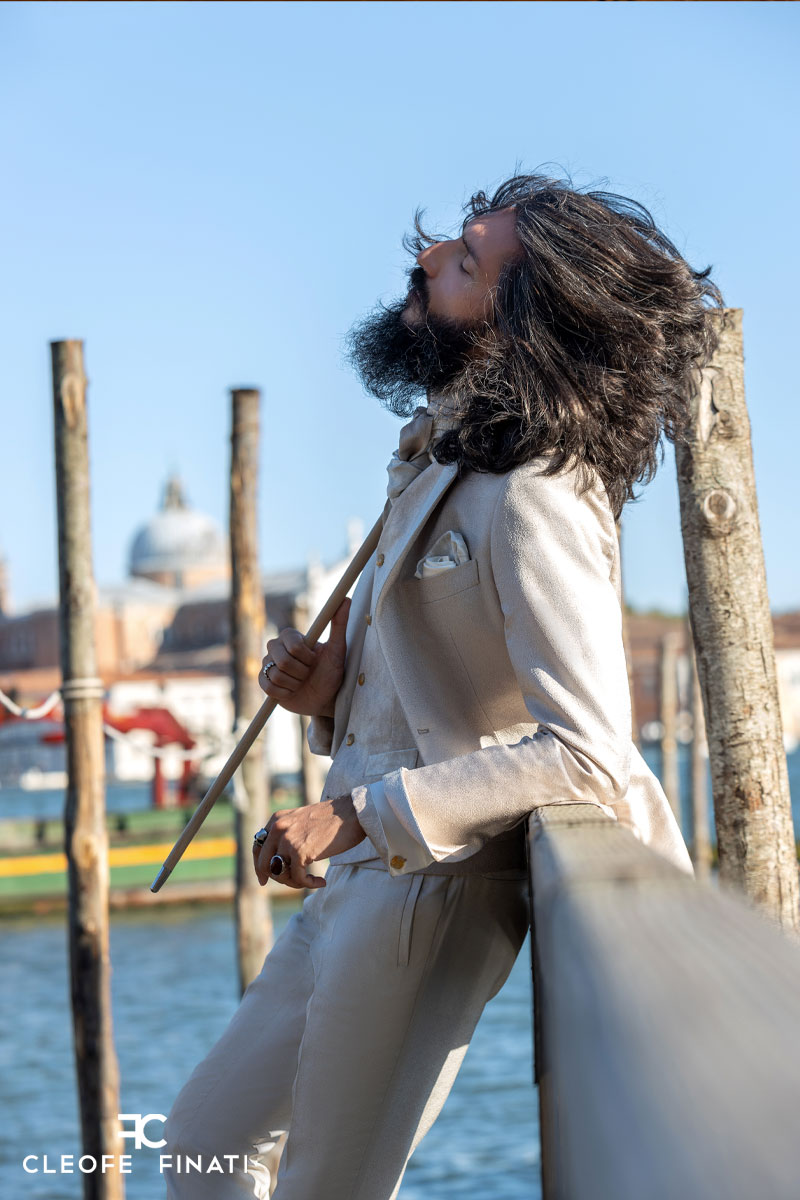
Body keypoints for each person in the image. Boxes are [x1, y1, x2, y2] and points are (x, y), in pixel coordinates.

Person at [163, 173, 722, 1199]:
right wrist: (332, 694)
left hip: (425, 885)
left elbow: (587, 750)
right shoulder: (446, 460)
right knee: (201, 1142)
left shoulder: (536, 494)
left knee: (325, 1185)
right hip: (362, 877)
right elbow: (443, 694)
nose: (424, 260)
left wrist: (350, 814)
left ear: (519, 327)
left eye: (465, 262)